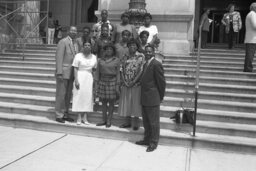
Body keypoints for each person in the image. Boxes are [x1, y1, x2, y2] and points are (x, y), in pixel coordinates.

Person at [135, 44, 166, 152]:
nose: (147, 53)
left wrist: (160, 97)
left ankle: (153, 142)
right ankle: (147, 139)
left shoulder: (156, 64)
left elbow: (161, 83)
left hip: (153, 98)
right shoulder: (146, 64)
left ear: (153, 52)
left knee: (153, 122)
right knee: (146, 121)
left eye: (149, 51)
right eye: (146, 51)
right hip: (144, 97)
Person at [118, 38, 145, 130]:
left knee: (136, 103)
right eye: (130, 45)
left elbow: (141, 70)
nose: (132, 47)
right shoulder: (125, 56)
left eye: (134, 45)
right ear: (128, 47)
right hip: (126, 83)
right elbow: (121, 69)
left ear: (137, 46)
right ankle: (127, 122)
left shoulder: (140, 56)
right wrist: (124, 81)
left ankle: (136, 123)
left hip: (136, 84)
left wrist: (134, 81)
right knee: (127, 103)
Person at [55, 26, 78, 123]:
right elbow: (59, 57)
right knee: (61, 94)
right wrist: (59, 72)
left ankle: (65, 113)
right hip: (63, 72)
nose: (73, 32)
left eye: (75, 31)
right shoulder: (63, 42)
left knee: (68, 95)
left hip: (72, 73)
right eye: (72, 30)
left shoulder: (76, 43)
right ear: (68, 31)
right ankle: (58, 114)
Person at [72, 39, 97, 125]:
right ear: (83, 47)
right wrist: (76, 80)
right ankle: (79, 117)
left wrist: (94, 81)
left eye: (89, 45)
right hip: (79, 75)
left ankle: (85, 117)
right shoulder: (78, 56)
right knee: (79, 95)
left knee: (87, 97)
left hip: (89, 77)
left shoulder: (94, 57)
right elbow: (75, 68)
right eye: (85, 45)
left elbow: (94, 69)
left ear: (91, 47)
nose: (87, 46)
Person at [95, 43, 120, 128]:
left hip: (112, 81)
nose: (109, 50)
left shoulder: (116, 60)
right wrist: (96, 84)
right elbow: (97, 72)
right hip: (102, 81)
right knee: (104, 102)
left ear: (113, 51)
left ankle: (109, 120)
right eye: (107, 49)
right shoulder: (100, 60)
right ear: (105, 51)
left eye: (111, 49)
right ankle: (104, 120)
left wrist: (117, 85)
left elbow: (118, 74)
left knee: (112, 103)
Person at [243, 2, 256, 72]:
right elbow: (254, 25)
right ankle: (248, 68)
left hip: (250, 38)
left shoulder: (250, 14)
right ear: (254, 7)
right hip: (252, 38)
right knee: (250, 55)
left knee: (249, 54)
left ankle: (247, 68)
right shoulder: (253, 14)